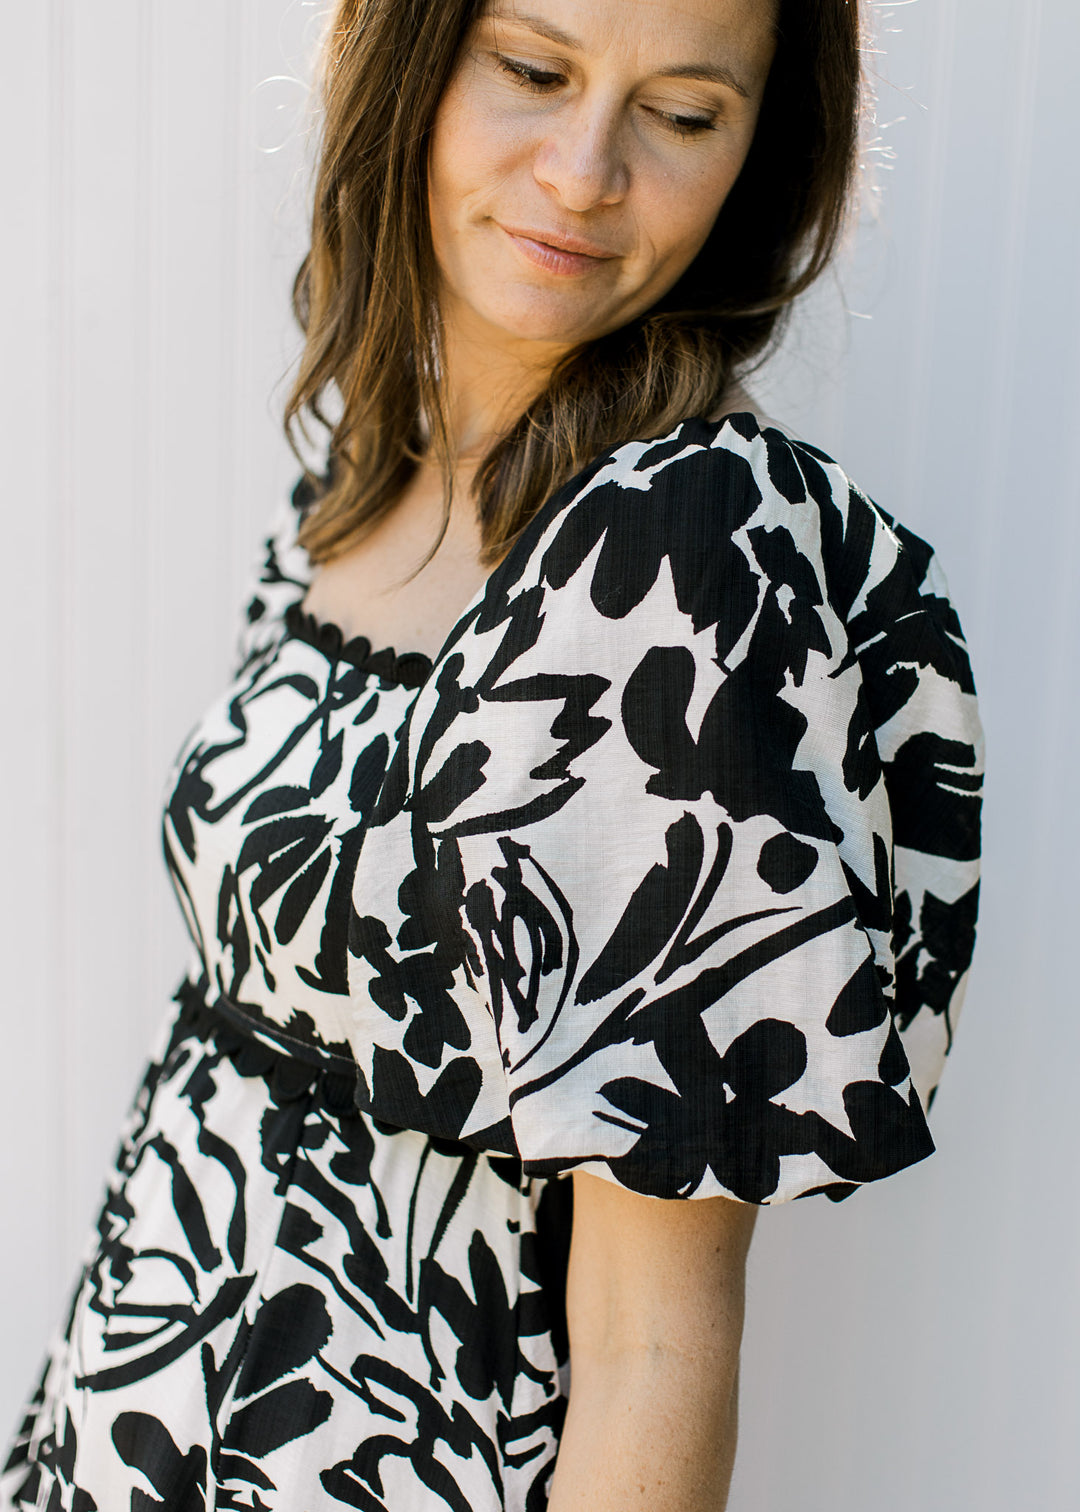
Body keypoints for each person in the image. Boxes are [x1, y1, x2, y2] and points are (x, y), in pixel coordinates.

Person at [1, 0, 985, 1507]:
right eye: (534, 70)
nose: (583, 171)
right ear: (411, 56)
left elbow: (658, 1343)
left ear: (757, 158)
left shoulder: (684, 553)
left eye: (682, 114)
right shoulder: (372, 460)